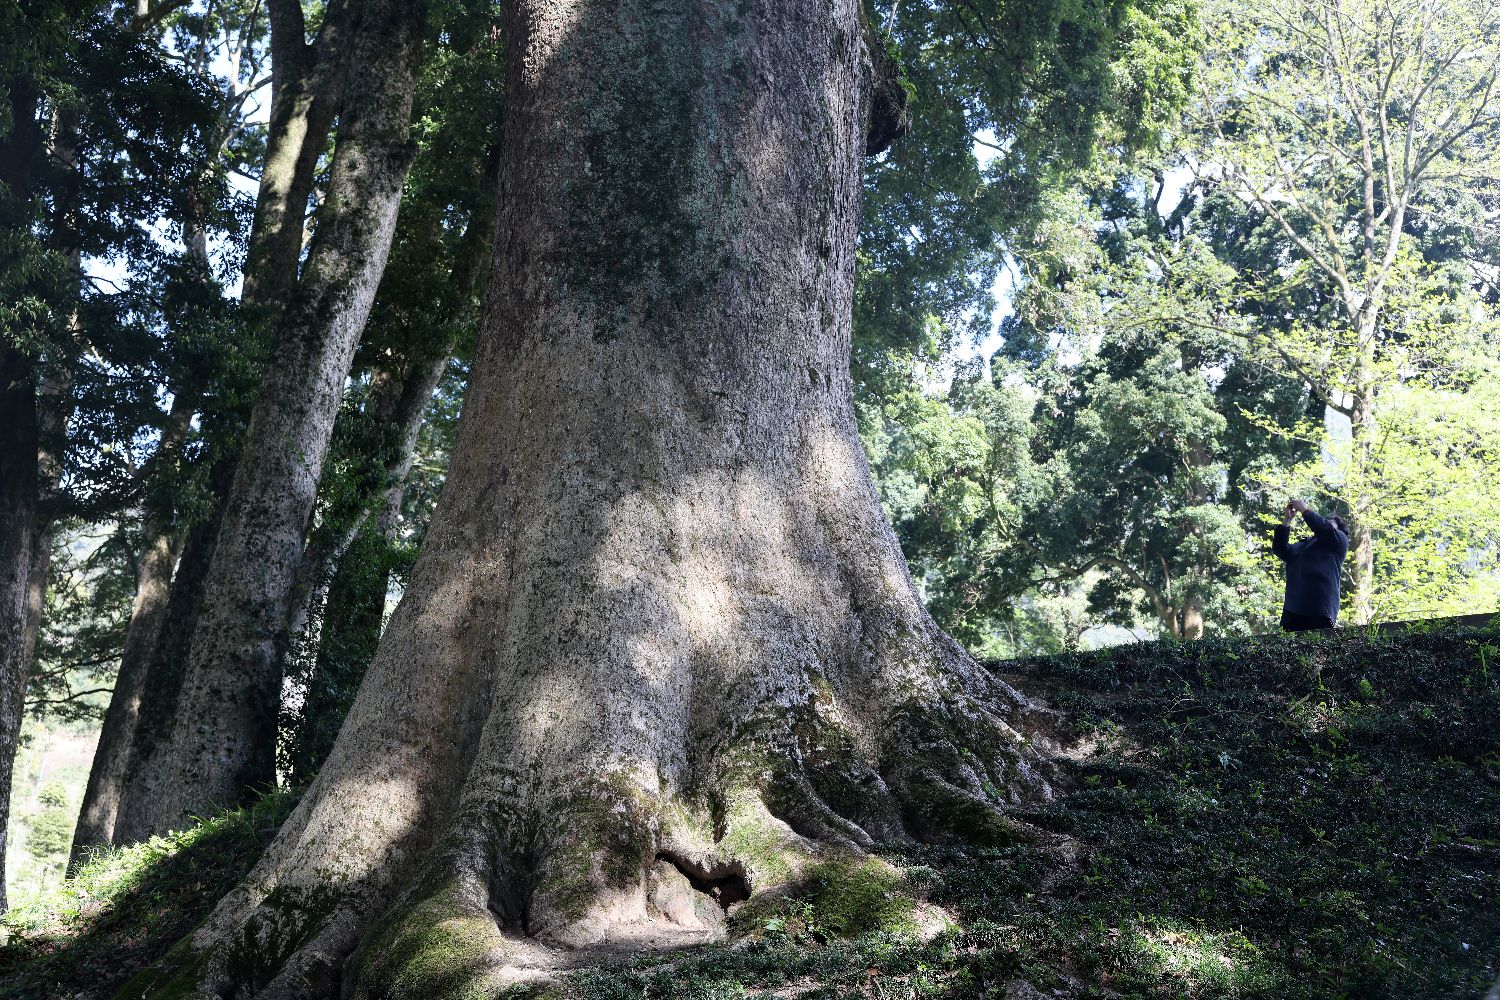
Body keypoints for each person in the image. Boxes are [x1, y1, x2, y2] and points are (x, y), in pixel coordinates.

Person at [1272, 499, 1349, 632]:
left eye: (1330, 524)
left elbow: (1324, 529)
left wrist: (1304, 510)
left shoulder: (1339, 541)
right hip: (1293, 609)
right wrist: (1287, 520)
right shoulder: (1305, 544)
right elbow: (1281, 549)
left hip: (1319, 608)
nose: (1326, 524)